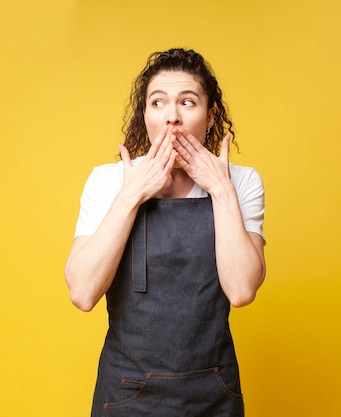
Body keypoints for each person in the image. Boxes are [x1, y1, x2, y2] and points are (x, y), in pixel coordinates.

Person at [65, 48, 266, 417]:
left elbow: (241, 290)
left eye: (187, 102)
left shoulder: (241, 182)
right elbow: (82, 293)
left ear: (210, 117)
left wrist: (221, 190)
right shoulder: (110, 181)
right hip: (126, 392)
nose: (172, 116)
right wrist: (131, 196)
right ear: (146, 116)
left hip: (214, 392)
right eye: (158, 103)